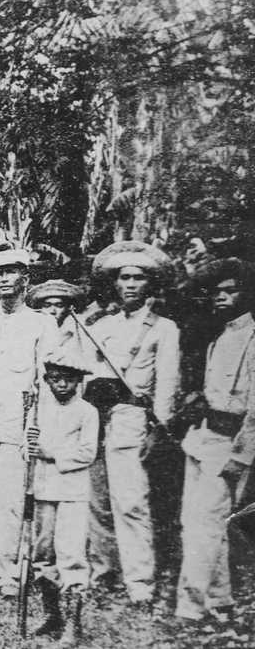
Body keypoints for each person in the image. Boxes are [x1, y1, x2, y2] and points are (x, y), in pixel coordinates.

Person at [79, 240, 180, 607]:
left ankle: (140, 583)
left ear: (150, 284)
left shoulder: (163, 328)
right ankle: (101, 573)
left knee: (131, 502)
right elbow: (86, 371)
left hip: (132, 419)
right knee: (97, 501)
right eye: (124, 278)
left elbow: (167, 384)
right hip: (97, 416)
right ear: (115, 283)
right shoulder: (101, 325)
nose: (131, 284)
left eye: (139, 278)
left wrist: (160, 428)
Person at [0, 249, 62, 596]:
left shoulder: (41, 323)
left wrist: (36, 427)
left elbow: (46, 379)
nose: (4, 279)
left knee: (10, 502)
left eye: (11, 273)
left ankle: (7, 575)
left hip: (18, 424)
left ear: (25, 278)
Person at [172, 258, 253, 624]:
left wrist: (242, 456)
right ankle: (220, 601)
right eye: (216, 291)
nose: (221, 297)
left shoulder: (251, 338)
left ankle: (191, 606)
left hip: (228, 443)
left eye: (230, 290)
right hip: (202, 439)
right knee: (202, 524)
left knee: (204, 525)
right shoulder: (220, 335)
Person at [26, 343, 100, 645]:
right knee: (42, 555)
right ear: (47, 380)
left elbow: (87, 453)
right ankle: (52, 615)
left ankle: (73, 623)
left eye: (68, 379)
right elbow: (27, 448)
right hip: (44, 490)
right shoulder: (37, 409)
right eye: (55, 378)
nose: (62, 384)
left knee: (70, 554)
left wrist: (51, 452)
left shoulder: (87, 412)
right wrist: (29, 447)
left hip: (72, 493)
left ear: (78, 381)